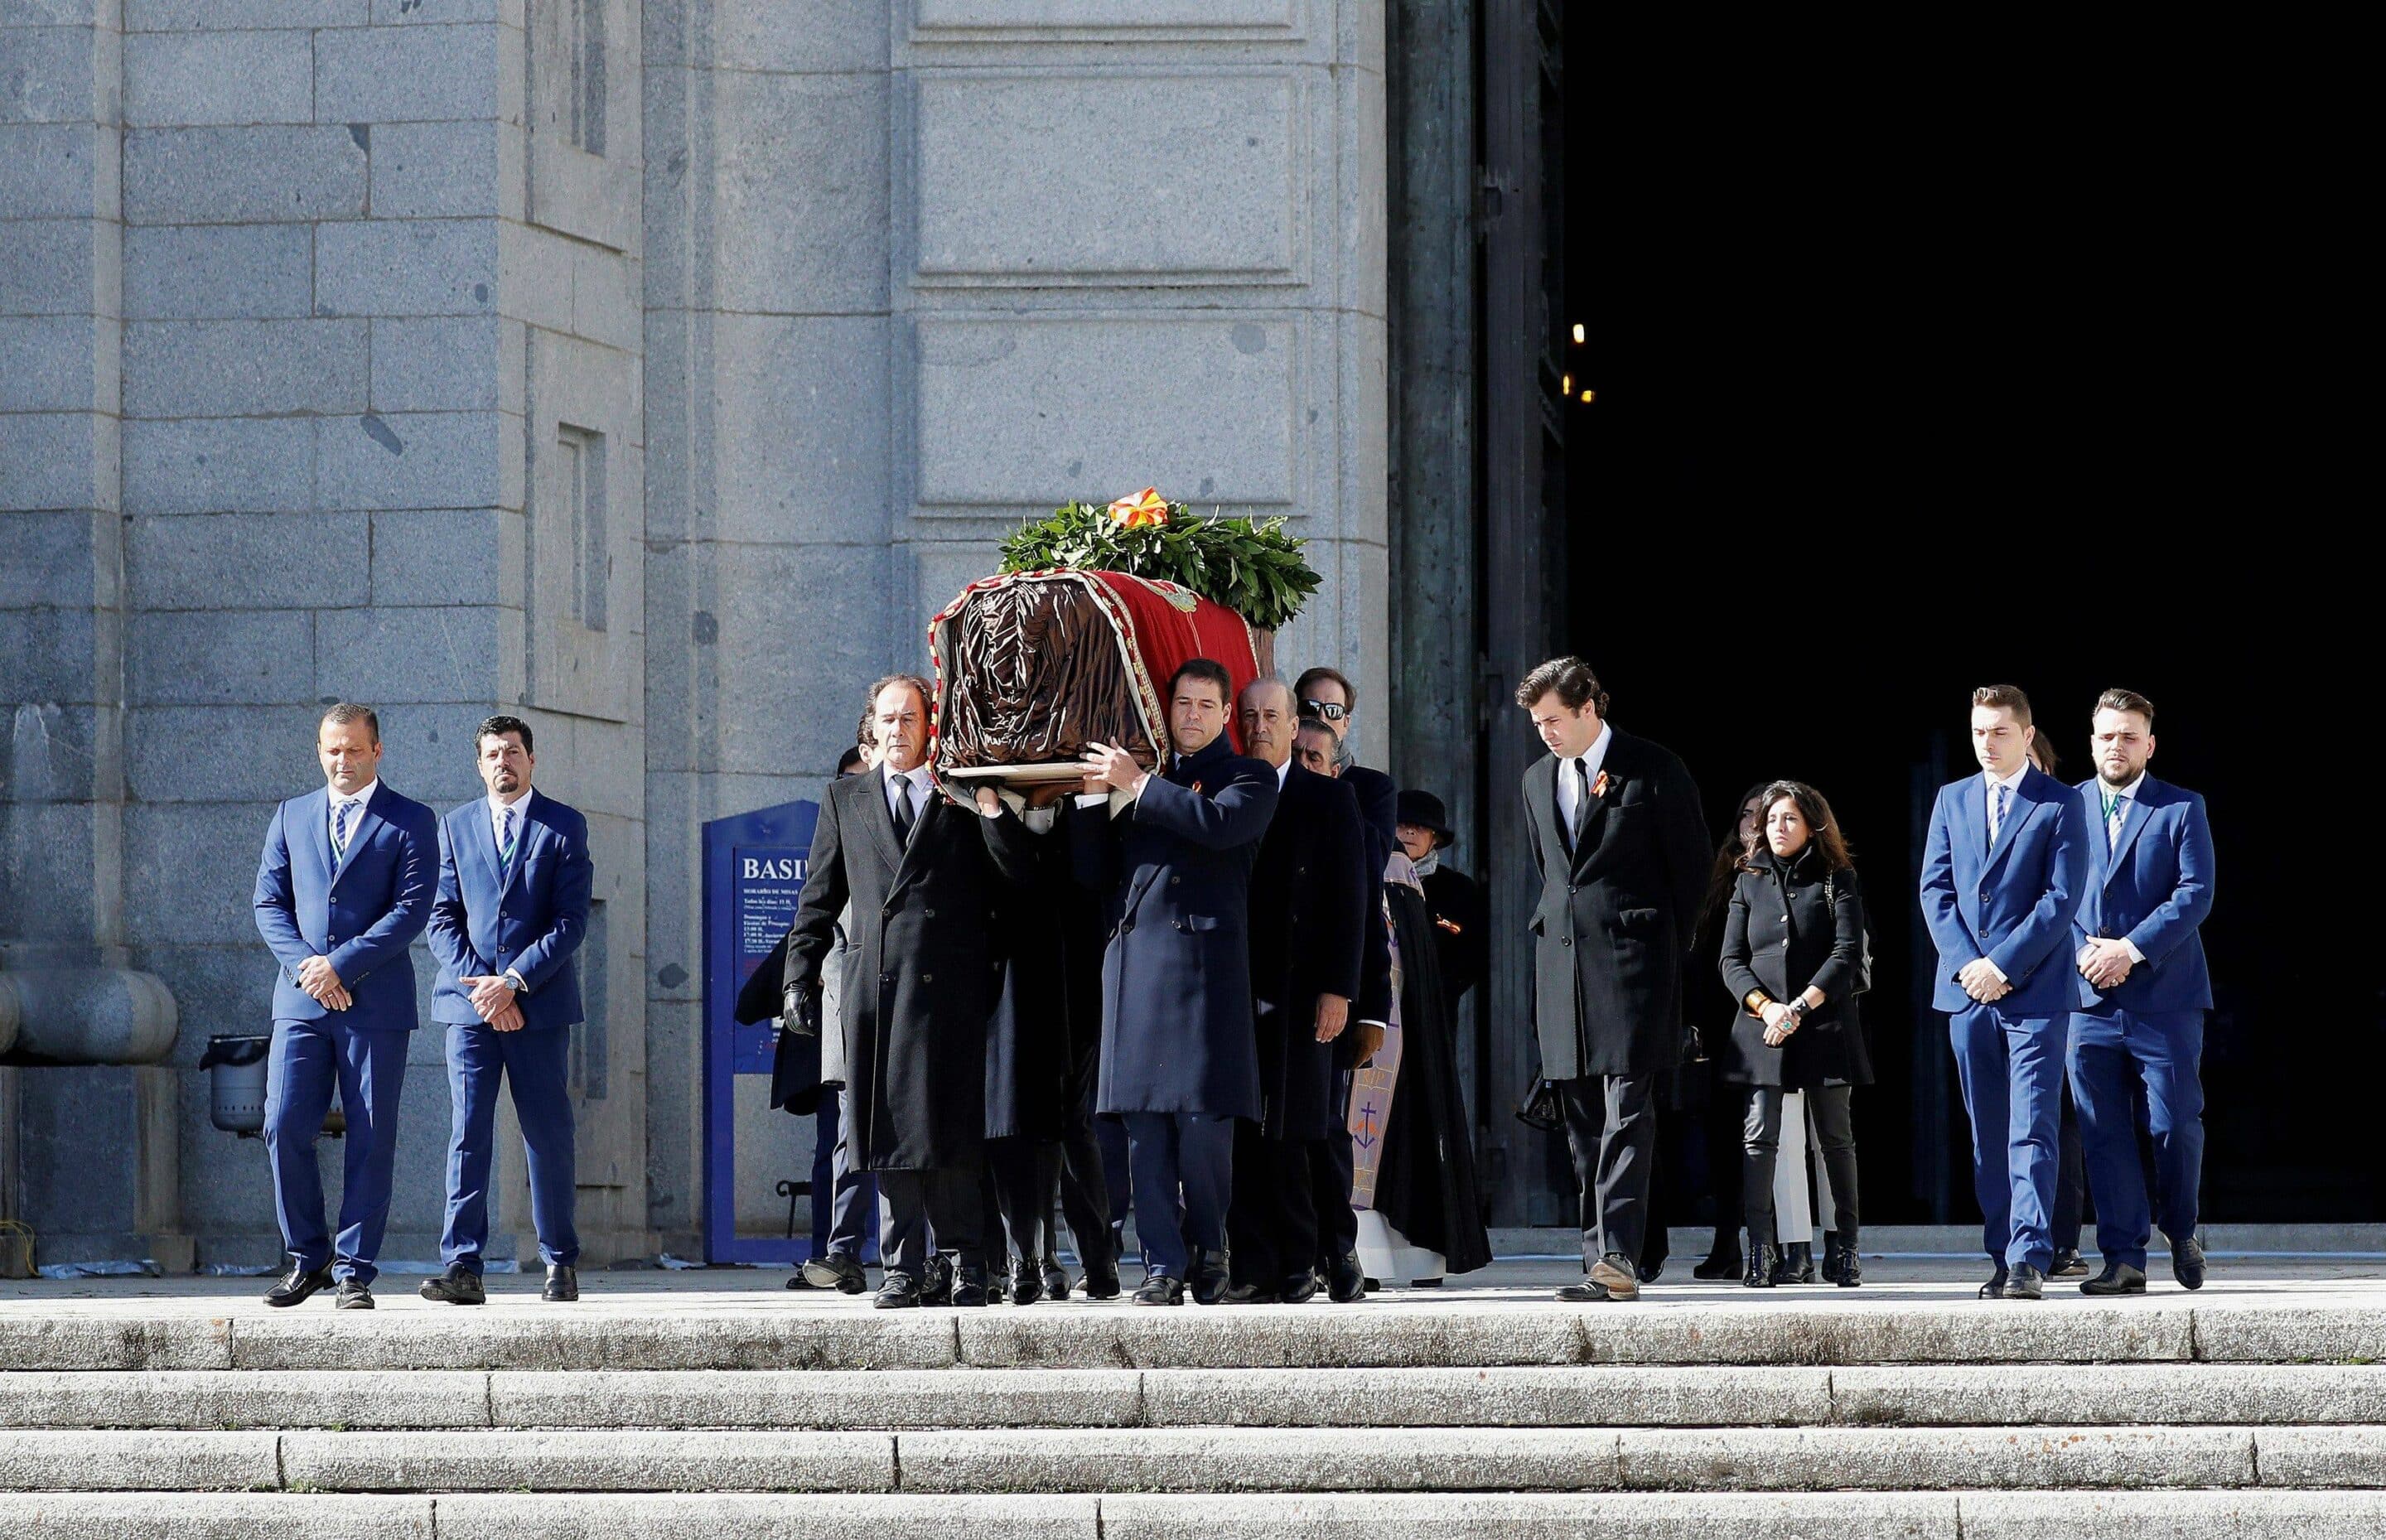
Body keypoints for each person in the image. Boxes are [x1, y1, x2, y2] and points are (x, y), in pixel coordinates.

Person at [778, 674, 1033, 1309]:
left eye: (910, 718)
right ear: (873, 727)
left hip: (950, 987)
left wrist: (994, 810)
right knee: (886, 1130)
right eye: (887, 719)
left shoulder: (961, 795)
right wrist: (797, 976)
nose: (898, 730)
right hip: (877, 990)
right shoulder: (845, 797)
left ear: (931, 725)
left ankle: (965, 1259)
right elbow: (818, 898)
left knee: (951, 1129)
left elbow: (1015, 879)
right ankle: (900, 1265)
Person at [1072, 658, 1278, 1306]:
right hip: (1134, 970)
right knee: (1142, 1132)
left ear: (1225, 715)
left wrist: (1138, 786)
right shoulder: (1144, 777)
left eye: (1204, 706)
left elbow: (1217, 827)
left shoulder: (1247, 776)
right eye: (1181, 704)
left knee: (1202, 1128)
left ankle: (1208, 1247)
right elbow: (1091, 874)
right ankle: (1161, 1263)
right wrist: (1086, 798)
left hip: (1203, 975)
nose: (1191, 717)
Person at [1514, 658, 1709, 1303]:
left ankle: (1617, 1256)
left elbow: (1692, 872)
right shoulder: (1537, 779)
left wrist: (1661, 948)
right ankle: (1607, 1249)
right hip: (1563, 968)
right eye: (1537, 723)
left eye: (1554, 720)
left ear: (1590, 708)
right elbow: (1552, 874)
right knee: (1581, 1120)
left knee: (1629, 1110)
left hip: (1634, 966)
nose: (1545, 733)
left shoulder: (1653, 768)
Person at [251, 702, 439, 1310]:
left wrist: (342, 964)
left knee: (371, 1133)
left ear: (377, 751)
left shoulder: (410, 820)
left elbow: (410, 911)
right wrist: (310, 967)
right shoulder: (291, 815)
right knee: (282, 1124)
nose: (342, 761)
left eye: (354, 749)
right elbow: (268, 904)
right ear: (320, 750)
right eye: (333, 749)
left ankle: (355, 1269)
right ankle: (309, 1255)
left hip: (374, 1003)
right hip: (302, 1002)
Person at [1920, 684, 2091, 1301]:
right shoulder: (1951, 797)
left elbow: (2061, 898)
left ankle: (2029, 1255)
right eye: (1977, 732)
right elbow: (1935, 892)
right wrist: (1971, 965)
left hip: (2035, 992)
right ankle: (2001, 1251)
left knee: (2033, 1127)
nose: (1986, 743)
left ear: (2025, 733)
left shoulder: (2060, 802)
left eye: (1998, 732)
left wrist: (2004, 964)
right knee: (1987, 1133)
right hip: (1968, 993)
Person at [418, 715, 593, 1306]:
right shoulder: (455, 826)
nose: (503, 763)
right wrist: (484, 991)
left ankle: (559, 1262)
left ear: (531, 759)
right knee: (468, 1133)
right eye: (493, 753)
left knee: (547, 1134)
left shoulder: (563, 825)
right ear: (479, 763)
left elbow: (571, 922)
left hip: (537, 1006)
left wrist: (514, 982)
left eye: (513, 752)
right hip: (471, 1010)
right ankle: (462, 1264)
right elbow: (440, 917)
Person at [1224, 678, 1370, 1303]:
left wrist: (1339, 988)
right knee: (1242, 1134)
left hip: (1304, 989)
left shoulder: (1328, 798)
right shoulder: (1228, 791)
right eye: (1250, 715)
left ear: (1293, 725)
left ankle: (1304, 1260)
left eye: (1272, 715)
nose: (1260, 725)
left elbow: (1350, 899)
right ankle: (1252, 1267)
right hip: (1235, 986)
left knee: (1299, 1131)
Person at [2068, 689, 2216, 1296]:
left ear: (2149, 745)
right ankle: (2123, 1256)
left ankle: (2180, 1226)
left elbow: (2195, 892)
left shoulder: (2181, 808)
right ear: (2093, 740)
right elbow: (2051, 891)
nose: (2116, 745)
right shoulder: (2063, 807)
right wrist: (2084, 950)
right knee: (2101, 1129)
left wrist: (2126, 950)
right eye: (2107, 735)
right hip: (2087, 997)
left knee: (2174, 1124)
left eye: (2129, 736)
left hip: (2164, 996)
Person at [1717, 781, 1870, 1289]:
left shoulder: (1837, 876)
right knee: (1759, 1139)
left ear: (1811, 826)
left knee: (1835, 1139)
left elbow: (1846, 952)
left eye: (1789, 820)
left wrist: (1800, 1006)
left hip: (1823, 1021)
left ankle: (1844, 1250)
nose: (1778, 829)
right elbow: (1731, 960)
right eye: (1771, 820)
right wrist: (1767, 1008)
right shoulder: (1748, 880)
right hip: (1764, 1028)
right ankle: (1760, 1252)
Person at [774, 737, 879, 1292]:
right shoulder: (840, 814)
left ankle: (924, 1253)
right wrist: (797, 978)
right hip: (846, 988)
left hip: (909, 987)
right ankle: (840, 1251)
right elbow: (813, 905)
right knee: (848, 1131)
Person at [1291, 715, 1389, 1301]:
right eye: (1295, 752)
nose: (1304, 763)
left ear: (1334, 768)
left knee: (1326, 1131)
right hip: (1275, 1004)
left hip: (1327, 1008)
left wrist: (1370, 1009)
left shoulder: (1344, 812)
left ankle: (1340, 1250)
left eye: (1315, 757)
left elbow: (1365, 919)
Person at [1688, 784, 1768, 1280]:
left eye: (1767, 814)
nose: (1754, 823)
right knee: (1721, 1134)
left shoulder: (1802, 873)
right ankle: (1726, 1243)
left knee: (1766, 1134)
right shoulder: (1718, 874)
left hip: (1772, 1015)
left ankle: (1781, 1245)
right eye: (1747, 813)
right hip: (1721, 1022)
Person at [1292, 667, 1398, 879]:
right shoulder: (1278, 776)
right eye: (1310, 707)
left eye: (1333, 711)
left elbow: (1371, 863)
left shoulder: (1375, 788)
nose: (1321, 717)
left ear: (1346, 723)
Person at [1395, 790, 1488, 1019]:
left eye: (1421, 827)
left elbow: (1473, 955)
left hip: (1434, 1015)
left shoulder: (1459, 890)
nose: (1410, 831)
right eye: (1402, 824)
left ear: (1435, 838)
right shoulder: (1372, 879)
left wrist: (1436, 989)